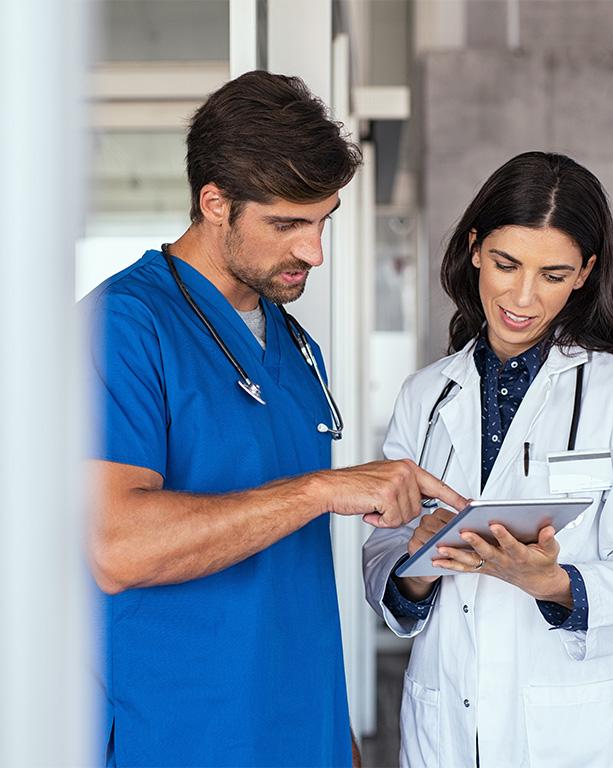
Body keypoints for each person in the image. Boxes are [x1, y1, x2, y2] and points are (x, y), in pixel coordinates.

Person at [83, 70, 465, 768]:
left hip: (303, 732)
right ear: (215, 203)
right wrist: (321, 490)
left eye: (323, 220)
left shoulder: (294, 346)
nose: (313, 251)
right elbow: (117, 547)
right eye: (287, 224)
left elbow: (293, 571)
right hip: (182, 738)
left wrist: (336, 734)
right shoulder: (122, 327)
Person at [363, 152, 613, 767]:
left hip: (579, 734)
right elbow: (382, 555)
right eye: (505, 263)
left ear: (585, 273)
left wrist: (554, 583)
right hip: (448, 729)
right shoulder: (426, 394)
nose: (521, 296)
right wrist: (420, 561)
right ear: (473, 249)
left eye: (553, 273)